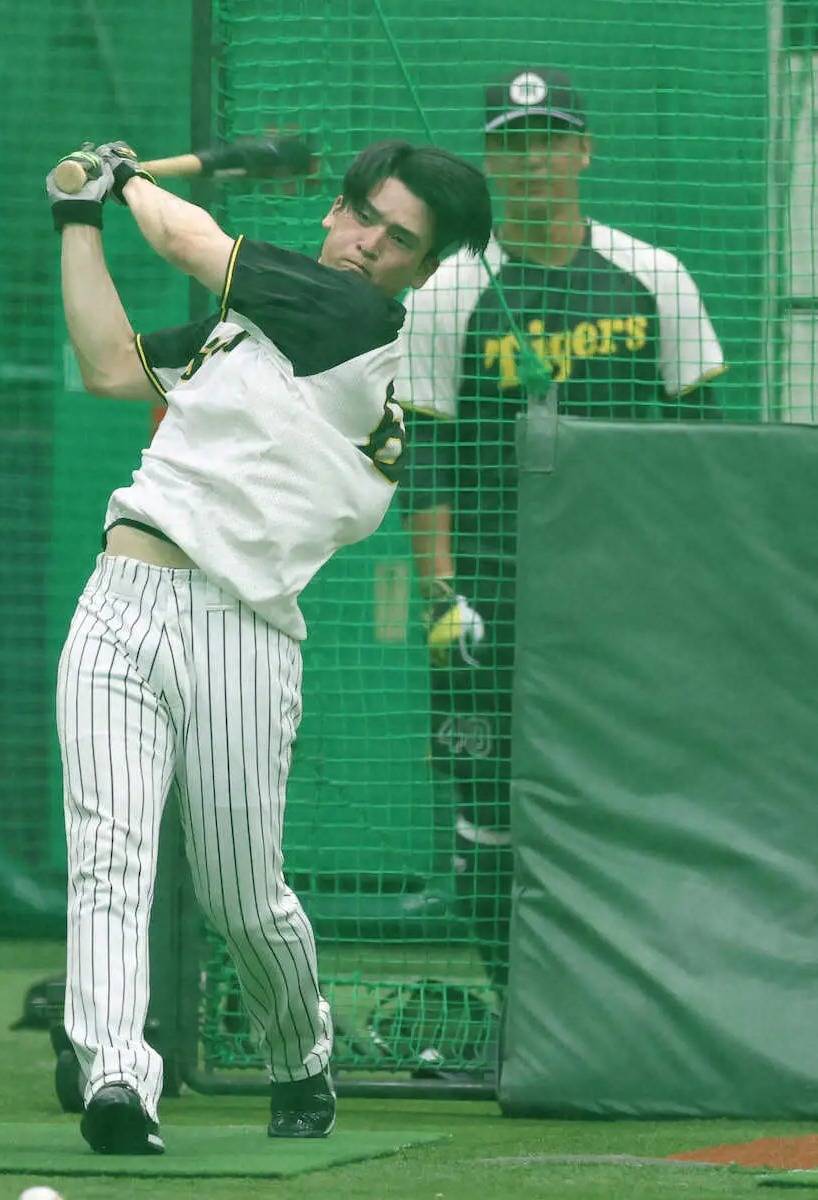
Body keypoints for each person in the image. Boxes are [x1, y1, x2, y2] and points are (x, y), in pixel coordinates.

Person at [46, 136, 492, 1154]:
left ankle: (298, 1058)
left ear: (416, 274)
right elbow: (113, 367)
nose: (368, 244)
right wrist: (75, 222)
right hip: (121, 596)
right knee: (108, 853)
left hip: (242, 631)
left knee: (242, 898)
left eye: (398, 240)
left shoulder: (352, 322)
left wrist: (121, 179)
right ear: (332, 213)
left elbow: (191, 241)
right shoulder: (244, 331)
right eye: (361, 217)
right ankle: (117, 1076)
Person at [396, 67, 726, 1019]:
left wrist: (688, 591)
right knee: (489, 813)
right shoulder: (449, 289)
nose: (532, 160)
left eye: (549, 139)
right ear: (489, 160)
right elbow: (424, 457)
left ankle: (628, 1007)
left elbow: (700, 444)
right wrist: (440, 593)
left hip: (623, 594)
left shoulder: (652, 276)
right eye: (510, 143)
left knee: (623, 801)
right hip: (491, 595)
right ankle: (521, 1010)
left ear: (583, 149)